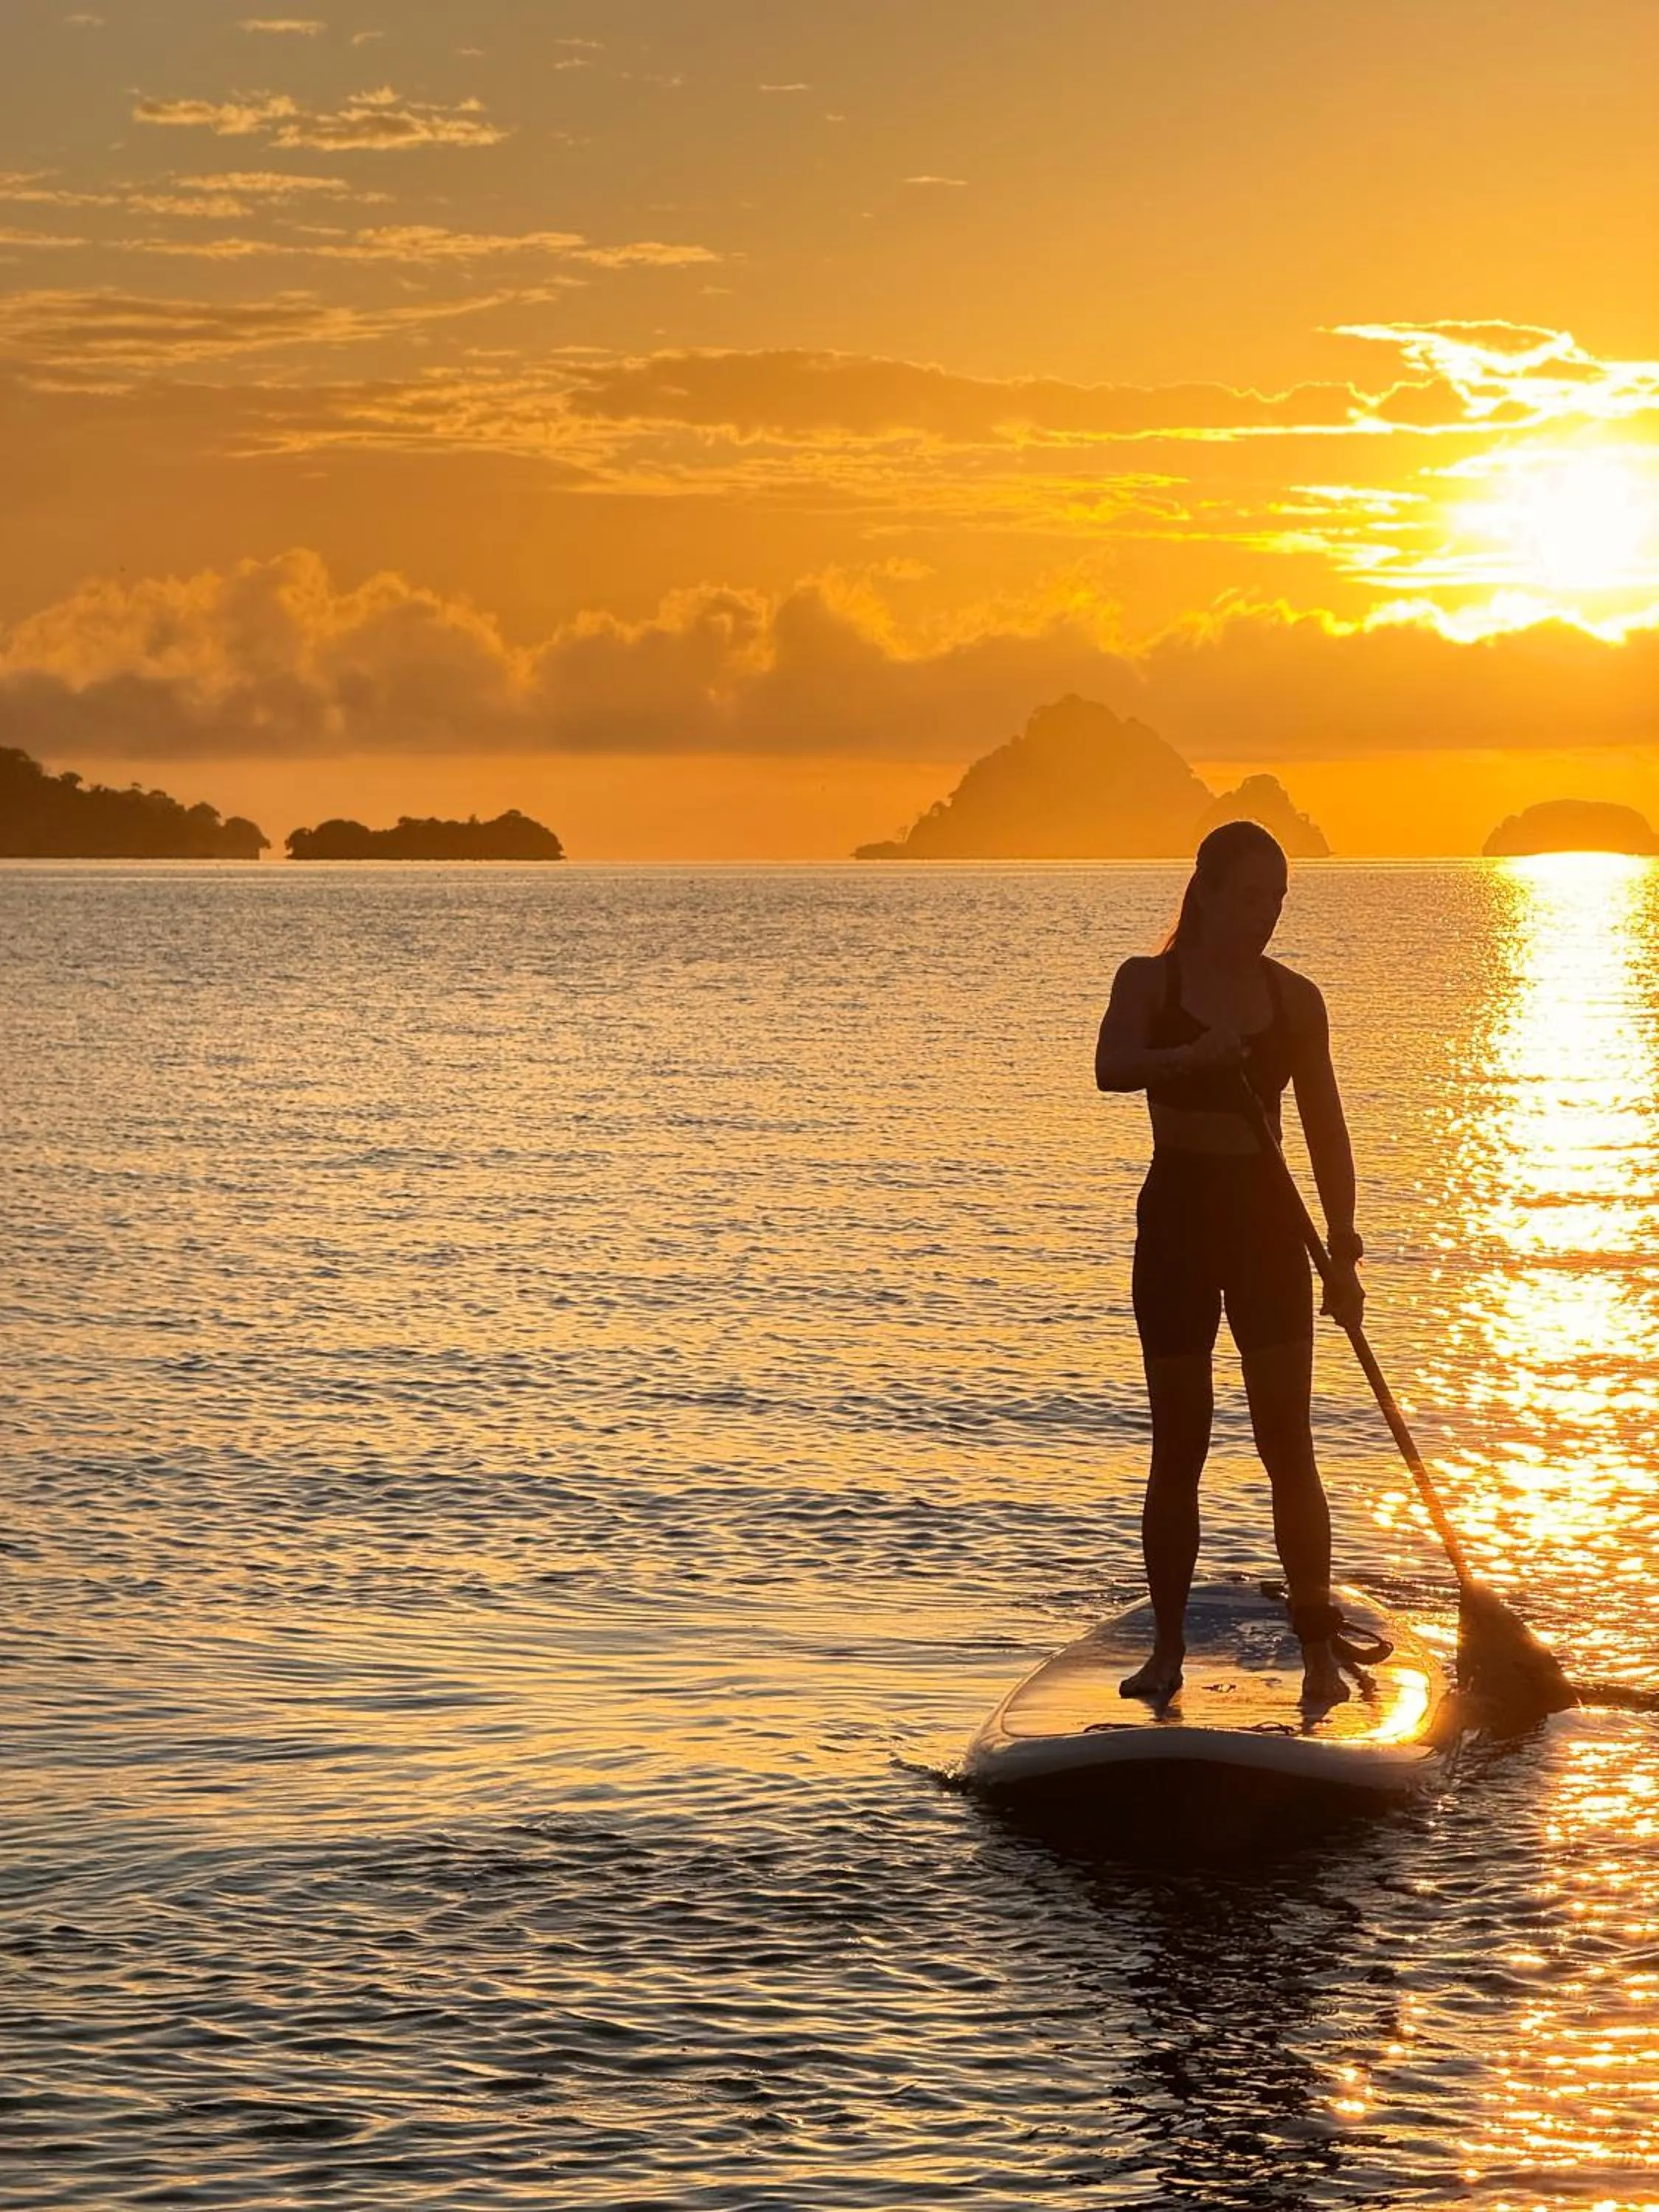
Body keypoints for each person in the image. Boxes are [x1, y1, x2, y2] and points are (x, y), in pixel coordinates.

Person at [1093, 820, 1368, 1708]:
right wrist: (1188, 1058)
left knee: (1289, 1443)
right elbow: (1111, 1066)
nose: (1266, 914)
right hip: (1177, 1222)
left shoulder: (1296, 1000)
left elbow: (1325, 1126)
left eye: (1277, 898)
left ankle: (1319, 1656)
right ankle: (1167, 1651)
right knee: (1181, 1445)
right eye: (1250, 896)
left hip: (1266, 1227)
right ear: (1206, 892)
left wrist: (1344, 1248)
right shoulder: (1150, 981)